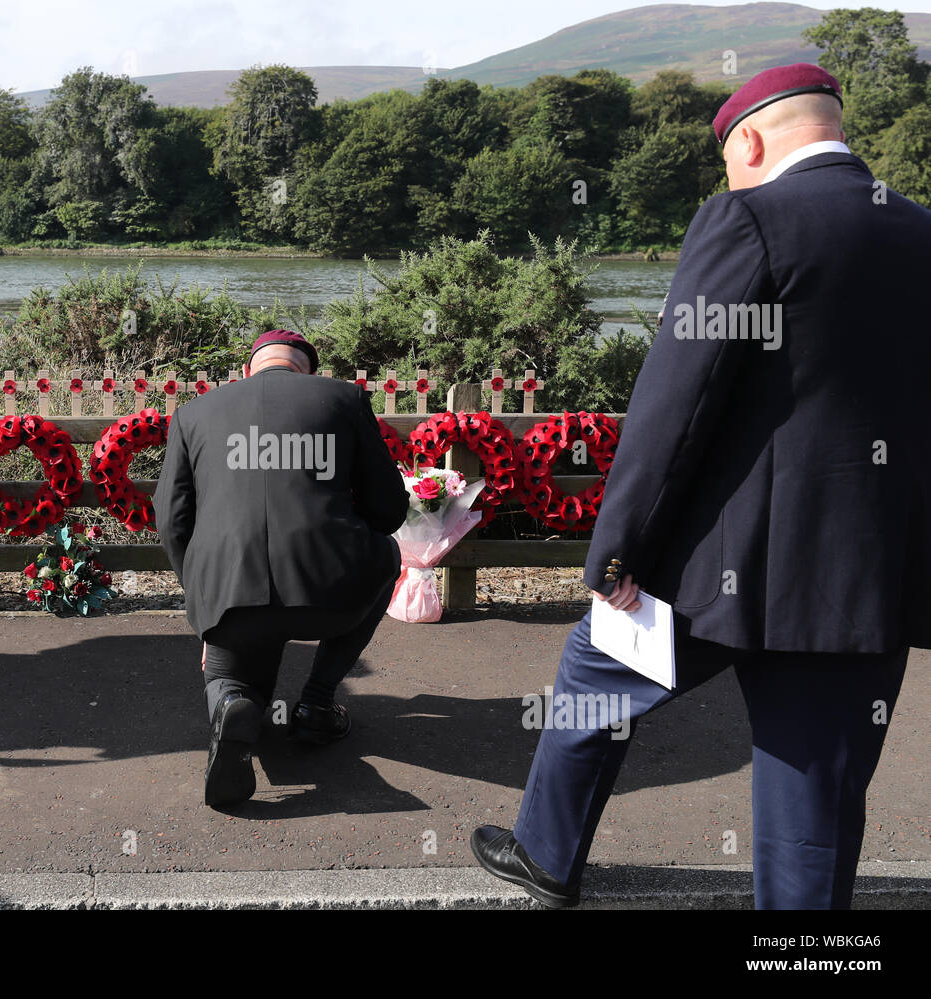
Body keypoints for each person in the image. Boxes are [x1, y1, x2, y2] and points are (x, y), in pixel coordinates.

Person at [470, 63, 931, 909]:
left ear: (748, 140)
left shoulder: (749, 216)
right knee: (814, 794)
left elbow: (674, 405)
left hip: (723, 563)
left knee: (593, 677)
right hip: (864, 578)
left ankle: (545, 854)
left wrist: (618, 551)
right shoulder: (921, 231)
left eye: (728, 159)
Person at [154, 330, 408, 807]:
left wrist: (202, 599)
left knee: (226, 677)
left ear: (247, 371)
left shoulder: (193, 413)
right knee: (388, 553)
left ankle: (234, 705)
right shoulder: (345, 398)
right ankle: (316, 702)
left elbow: (171, 523)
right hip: (331, 592)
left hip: (228, 593)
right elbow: (389, 511)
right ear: (308, 370)